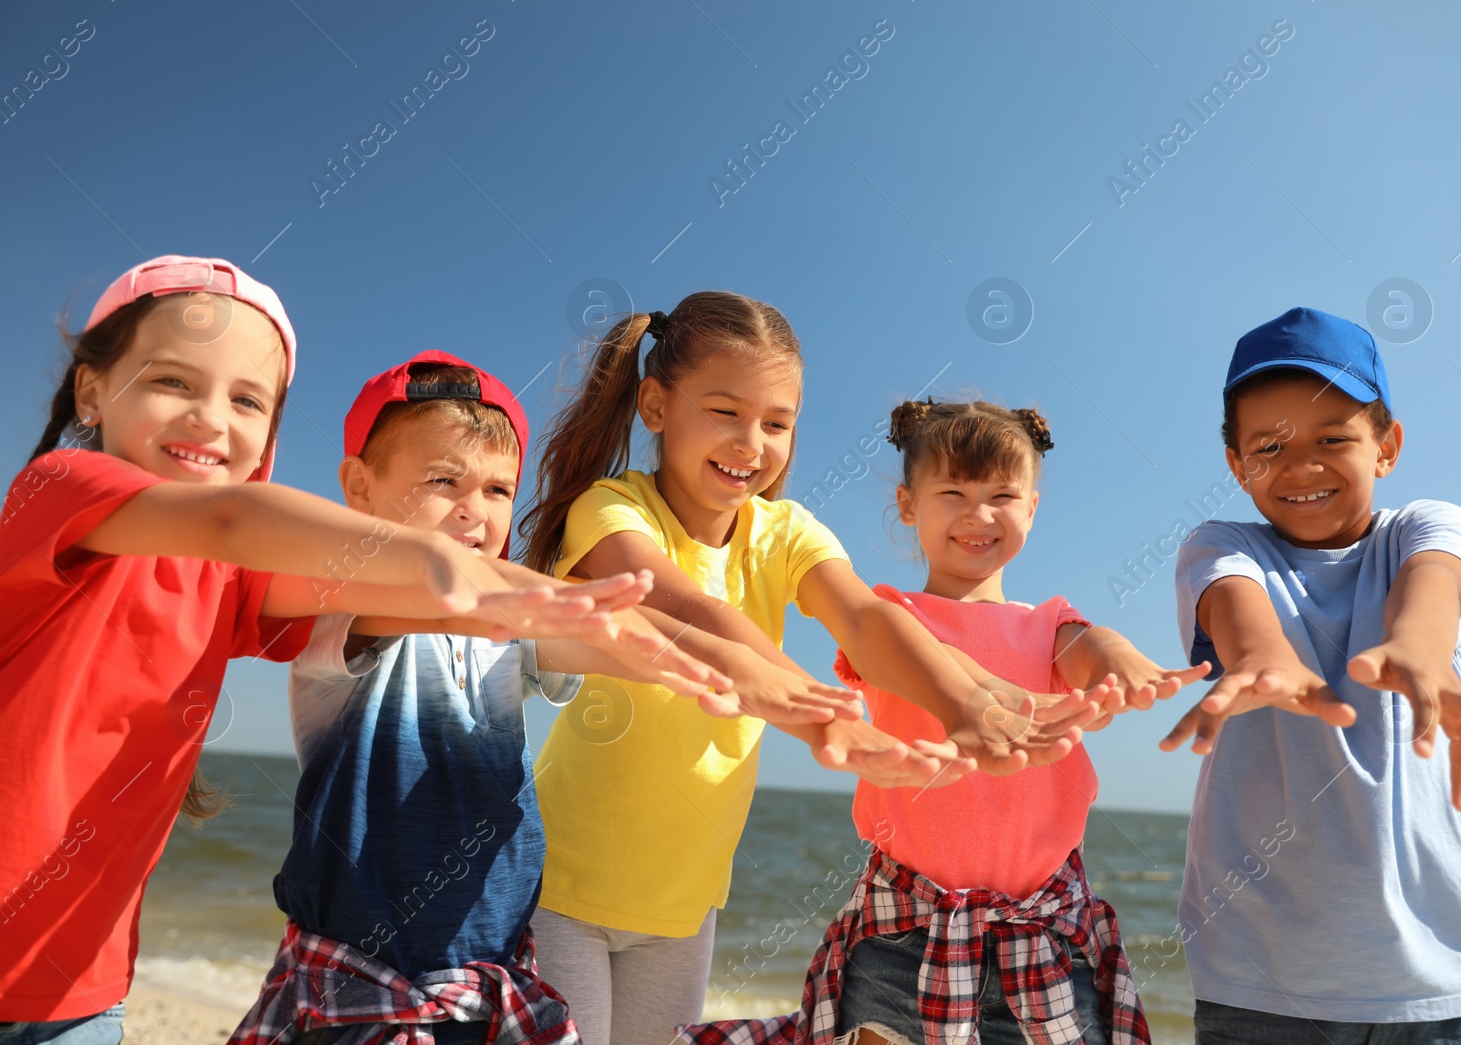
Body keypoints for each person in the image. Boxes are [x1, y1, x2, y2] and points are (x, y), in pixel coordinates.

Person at [0, 258, 583, 1044]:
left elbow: (410, 598)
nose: (211, 418)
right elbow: (236, 520)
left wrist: (698, 649)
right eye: (173, 380)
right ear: (92, 390)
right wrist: (443, 561)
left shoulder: (232, 583)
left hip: (81, 984)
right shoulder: (58, 486)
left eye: (246, 400)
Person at [516, 296, 1077, 1045]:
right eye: (725, 411)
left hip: (684, 906)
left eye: (776, 423)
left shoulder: (784, 532)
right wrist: (830, 716)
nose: (751, 443)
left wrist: (965, 698)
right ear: (655, 404)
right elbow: (693, 614)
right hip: (560, 886)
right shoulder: (613, 508)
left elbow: (868, 618)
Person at [229, 352, 737, 1045]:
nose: (474, 508)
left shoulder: (507, 640)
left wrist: (731, 670)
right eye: (444, 480)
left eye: (499, 490)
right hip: (362, 985)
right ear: (360, 488)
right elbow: (457, 602)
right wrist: (556, 606)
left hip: (490, 978)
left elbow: (610, 645)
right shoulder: (340, 614)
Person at [688, 398, 1208, 1045]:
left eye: (1002, 495)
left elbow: (1088, 647)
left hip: (1042, 927)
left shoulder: (1048, 623)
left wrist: (1123, 660)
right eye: (953, 491)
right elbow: (918, 652)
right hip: (906, 928)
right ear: (909, 504)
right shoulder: (891, 618)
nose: (978, 514)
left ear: (1034, 508)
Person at [1161, 307, 1461, 1044]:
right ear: (1235, 463)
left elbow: (1435, 587)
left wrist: (1422, 651)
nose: (1301, 466)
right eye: (1269, 446)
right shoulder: (1221, 543)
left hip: (1450, 987)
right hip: (1262, 992)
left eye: (1333, 439)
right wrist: (1262, 658)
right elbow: (1235, 606)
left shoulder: (1426, 526)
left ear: (1386, 446)